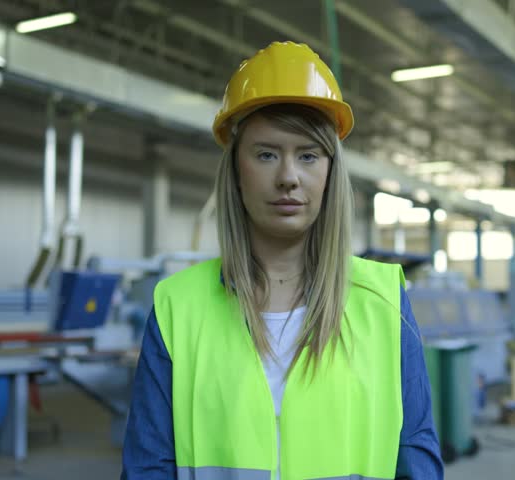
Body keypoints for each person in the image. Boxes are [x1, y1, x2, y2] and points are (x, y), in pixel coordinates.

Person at [121, 41, 443, 480]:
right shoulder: (179, 306)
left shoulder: (382, 301)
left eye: (308, 155)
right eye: (266, 154)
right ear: (236, 170)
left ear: (330, 173)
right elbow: (148, 469)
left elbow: (415, 458)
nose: (288, 177)